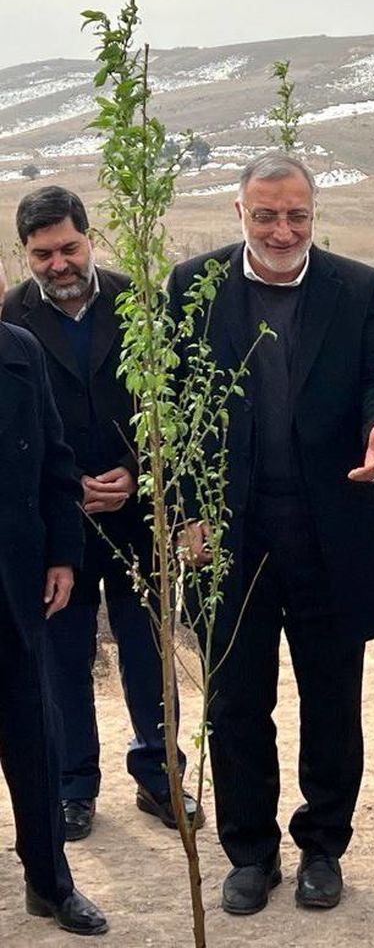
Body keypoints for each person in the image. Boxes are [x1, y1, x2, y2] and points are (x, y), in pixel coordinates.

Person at [166, 151, 374, 917]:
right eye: (266, 214)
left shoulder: (358, 286)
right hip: (230, 535)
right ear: (240, 213)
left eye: (296, 215)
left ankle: (322, 846)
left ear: (314, 216)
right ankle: (251, 851)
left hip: (328, 526)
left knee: (331, 699)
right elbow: (174, 407)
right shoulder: (194, 287)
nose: (282, 229)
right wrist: (186, 512)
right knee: (237, 700)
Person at [4, 186, 199, 843]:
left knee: (148, 647)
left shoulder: (143, 304)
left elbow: (171, 403)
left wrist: (139, 473)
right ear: (24, 255)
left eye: (68, 248)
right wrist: (68, 486)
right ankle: (73, 786)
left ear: (91, 238)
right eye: (41, 255)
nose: (57, 264)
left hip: (138, 512)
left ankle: (159, 777)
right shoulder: (13, 318)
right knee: (63, 653)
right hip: (59, 520)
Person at [0, 319, 108, 935]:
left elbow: (55, 461)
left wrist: (64, 554)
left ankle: (49, 883)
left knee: (33, 739)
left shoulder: (20, 349)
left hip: (15, 585)